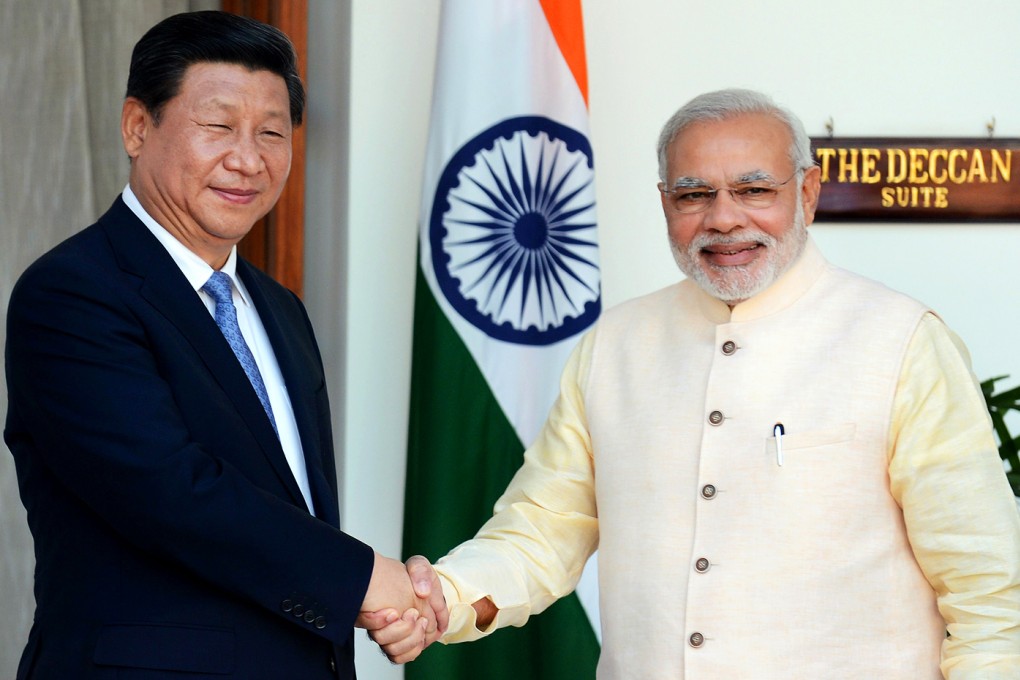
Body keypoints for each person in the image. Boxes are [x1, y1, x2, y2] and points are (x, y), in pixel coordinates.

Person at [369, 89, 1020, 677]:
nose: (724, 219)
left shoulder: (899, 340)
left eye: (754, 190)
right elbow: (543, 529)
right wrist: (443, 599)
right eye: (694, 194)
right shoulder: (617, 344)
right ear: (664, 203)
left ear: (808, 193)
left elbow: (988, 588)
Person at [4, 11, 444, 679]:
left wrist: (376, 598)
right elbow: (173, 495)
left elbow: (290, 511)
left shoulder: (279, 310)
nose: (248, 158)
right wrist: (363, 580)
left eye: (272, 132)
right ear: (137, 125)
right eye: (217, 127)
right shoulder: (72, 293)